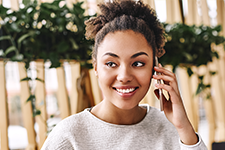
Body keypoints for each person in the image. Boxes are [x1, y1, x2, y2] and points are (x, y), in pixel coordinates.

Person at [41, 0, 207, 149]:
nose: (124, 76)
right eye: (111, 64)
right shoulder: (69, 136)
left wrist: (184, 127)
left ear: (155, 68)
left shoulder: (173, 130)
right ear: (96, 68)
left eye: (138, 63)